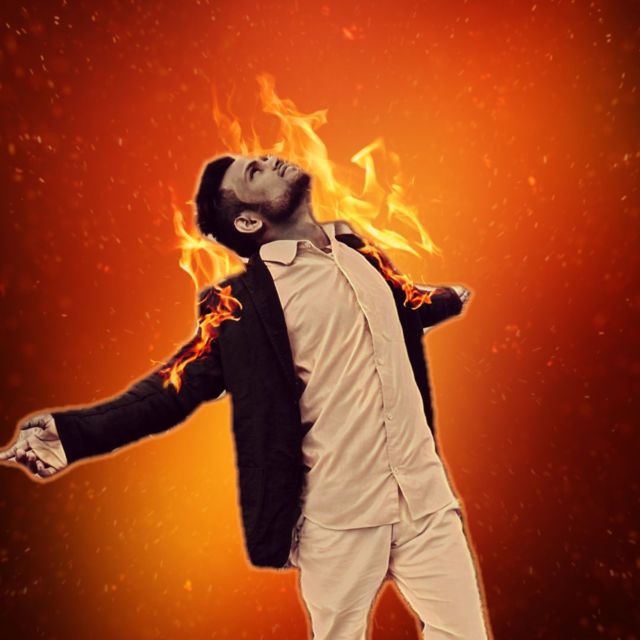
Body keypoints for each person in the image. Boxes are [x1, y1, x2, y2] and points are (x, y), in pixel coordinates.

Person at [0, 154, 491, 639]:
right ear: (249, 220)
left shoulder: (358, 255)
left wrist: (449, 298)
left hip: (425, 499)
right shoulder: (240, 307)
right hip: (340, 519)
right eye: (254, 173)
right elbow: (171, 390)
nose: (269, 159)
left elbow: (400, 308)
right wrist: (71, 434)